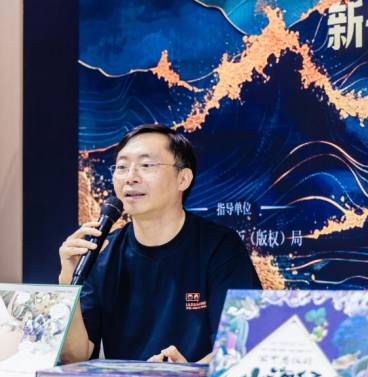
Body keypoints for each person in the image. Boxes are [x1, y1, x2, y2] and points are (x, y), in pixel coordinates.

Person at [58, 124, 261, 364]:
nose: (130, 177)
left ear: (183, 179)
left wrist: (187, 373)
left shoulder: (221, 247)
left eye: (146, 165)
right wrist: (68, 282)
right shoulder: (101, 252)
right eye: (122, 167)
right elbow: (74, 357)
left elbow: (240, 345)